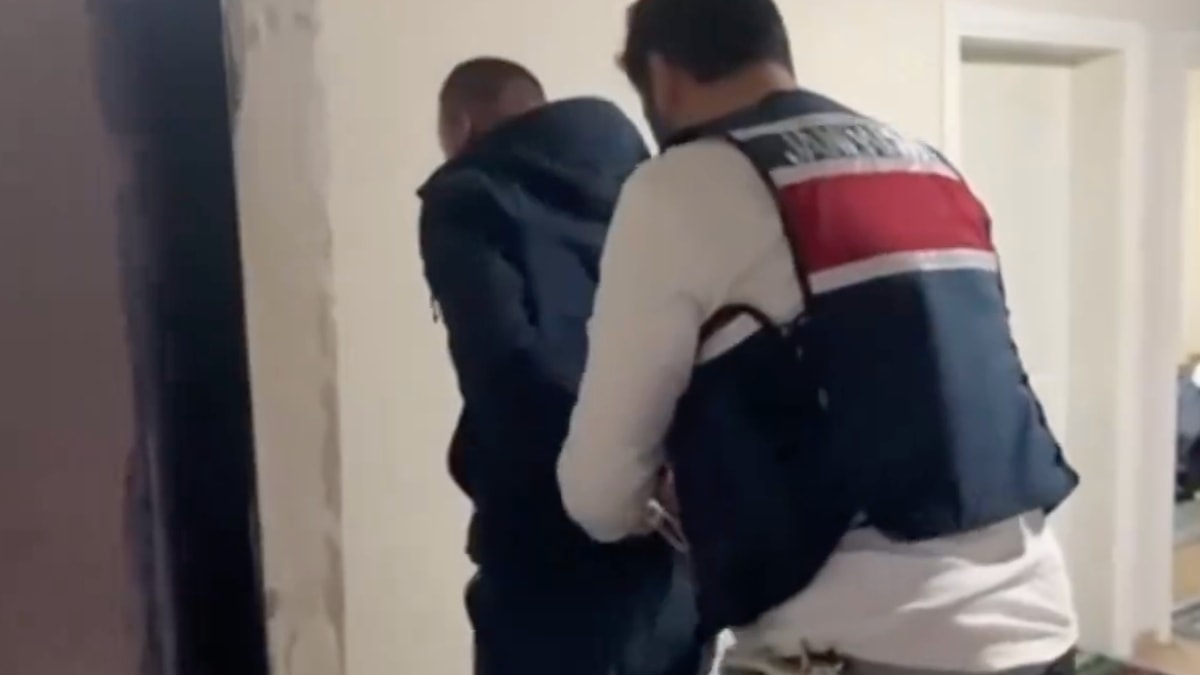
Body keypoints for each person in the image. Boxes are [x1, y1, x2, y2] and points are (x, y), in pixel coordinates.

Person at [556, 1, 1081, 674]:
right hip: (1038, 628)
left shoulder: (680, 185)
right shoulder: (928, 166)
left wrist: (674, 493)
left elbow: (598, 494)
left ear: (662, 77)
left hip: (861, 649)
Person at [417, 57, 708, 675]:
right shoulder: (644, 181)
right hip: (672, 554)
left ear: (462, 126)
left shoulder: (467, 196)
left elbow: (502, 369)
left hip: (546, 556)